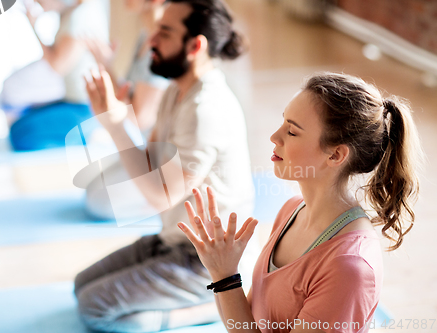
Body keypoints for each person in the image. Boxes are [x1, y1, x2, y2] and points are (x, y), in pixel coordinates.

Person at [178, 72, 423, 332]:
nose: (275, 136)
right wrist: (221, 272)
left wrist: (226, 277)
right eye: (282, 122)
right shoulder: (291, 210)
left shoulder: (349, 266)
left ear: (336, 155)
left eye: (292, 132)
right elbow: (249, 326)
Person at [74, 0, 258, 331]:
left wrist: (116, 125)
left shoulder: (206, 109)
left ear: (195, 46)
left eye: (164, 32)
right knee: (81, 285)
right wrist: (114, 119)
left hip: (208, 261)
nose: (151, 41)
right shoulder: (177, 91)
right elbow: (149, 162)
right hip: (172, 241)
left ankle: (212, 306)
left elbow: (159, 196)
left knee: (94, 308)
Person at [2, 0, 108, 151]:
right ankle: (81, 136)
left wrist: (33, 26)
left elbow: (57, 66)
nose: (37, 3)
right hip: (73, 101)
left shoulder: (80, 18)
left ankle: (86, 136)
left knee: (19, 135)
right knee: (21, 122)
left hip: (82, 107)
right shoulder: (73, 13)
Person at [85, 0, 170, 134]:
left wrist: (106, 66)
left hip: (153, 151)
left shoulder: (161, 46)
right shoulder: (144, 35)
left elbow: (139, 119)